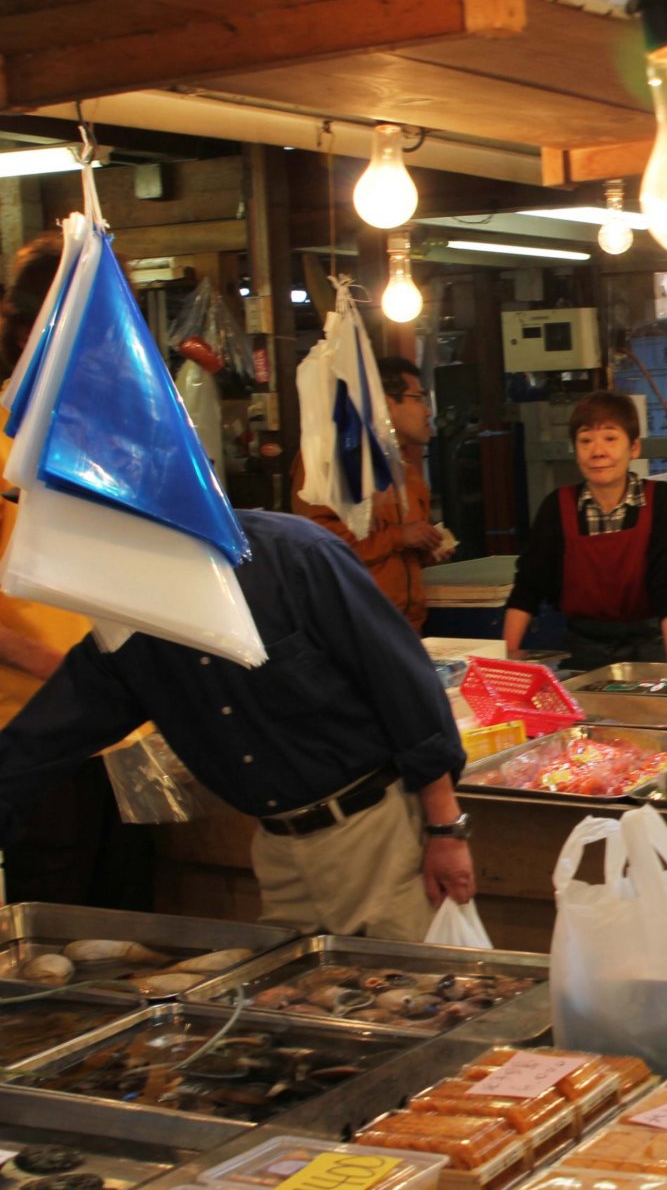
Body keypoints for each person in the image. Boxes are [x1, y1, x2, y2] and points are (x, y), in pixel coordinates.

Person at [0, 510, 475, 939]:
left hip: (379, 834)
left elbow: (404, 687)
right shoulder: (128, 616)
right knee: (302, 1011)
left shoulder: (294, 554)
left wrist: (445, 830)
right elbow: (48, 733)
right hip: (278, 849)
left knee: (418, 1003)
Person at [0, 233, 153, 909]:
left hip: (123, 735)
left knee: (133, 922)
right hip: (36, 725)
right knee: (57, 928)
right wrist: (50, 661)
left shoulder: (112, 433)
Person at [506, 391, 667, 668]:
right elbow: (528, 587)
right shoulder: (557, 507)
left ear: (634, 448)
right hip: (581, 653)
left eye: (610, 438)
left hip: (649, 651)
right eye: (585, 440)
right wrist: (508, 655)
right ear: (575, 450)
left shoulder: (661, 501)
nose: (597, 451)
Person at [292, 356, 443, 632]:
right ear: (386, 403)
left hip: (407, 626)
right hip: (354, 628)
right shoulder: (331, 460)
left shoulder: (407, 470)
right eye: (418, 398)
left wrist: (427, 547)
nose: (427, 411)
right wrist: (400, 536)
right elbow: (317, 546)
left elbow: (403, 554)